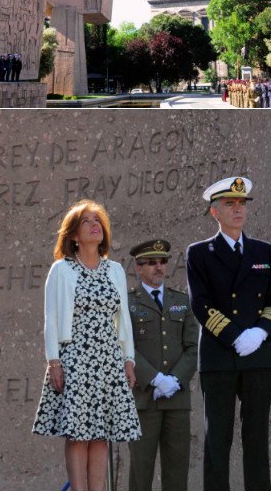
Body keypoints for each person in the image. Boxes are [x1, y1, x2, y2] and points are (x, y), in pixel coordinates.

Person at [32, 201, 140, 491]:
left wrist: (128, 359)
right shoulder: (62, 269)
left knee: (101, 432)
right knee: (78, 433)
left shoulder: (115, 270)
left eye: (98, 220)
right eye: (87, 222)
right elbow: (51, 317)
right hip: (75, 357)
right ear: (74, 236)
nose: (95, 225)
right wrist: (53, 361)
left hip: (108, 357)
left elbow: (123, 319)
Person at [186, 176, 271, 490]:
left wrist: (259, 332)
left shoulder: (262, 251)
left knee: (257, 438)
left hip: (257, 354)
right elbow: (200, 304)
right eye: (230, 204)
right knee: (218, 439)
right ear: (215, 212)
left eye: (242, 203)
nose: (238, 209)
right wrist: (233, 336)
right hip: (220, 356)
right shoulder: (200, 253)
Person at [126, 239, 198, 490]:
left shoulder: (181, 300)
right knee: (140, 471)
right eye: (151, 263)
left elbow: (192, 347)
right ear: (138, 267)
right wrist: (155, 379)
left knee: (177, 471)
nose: (159, 267)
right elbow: (126, 347)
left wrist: (174, 380)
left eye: (163, 262)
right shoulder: (128, 302)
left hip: (177, 399)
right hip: (144, 400)